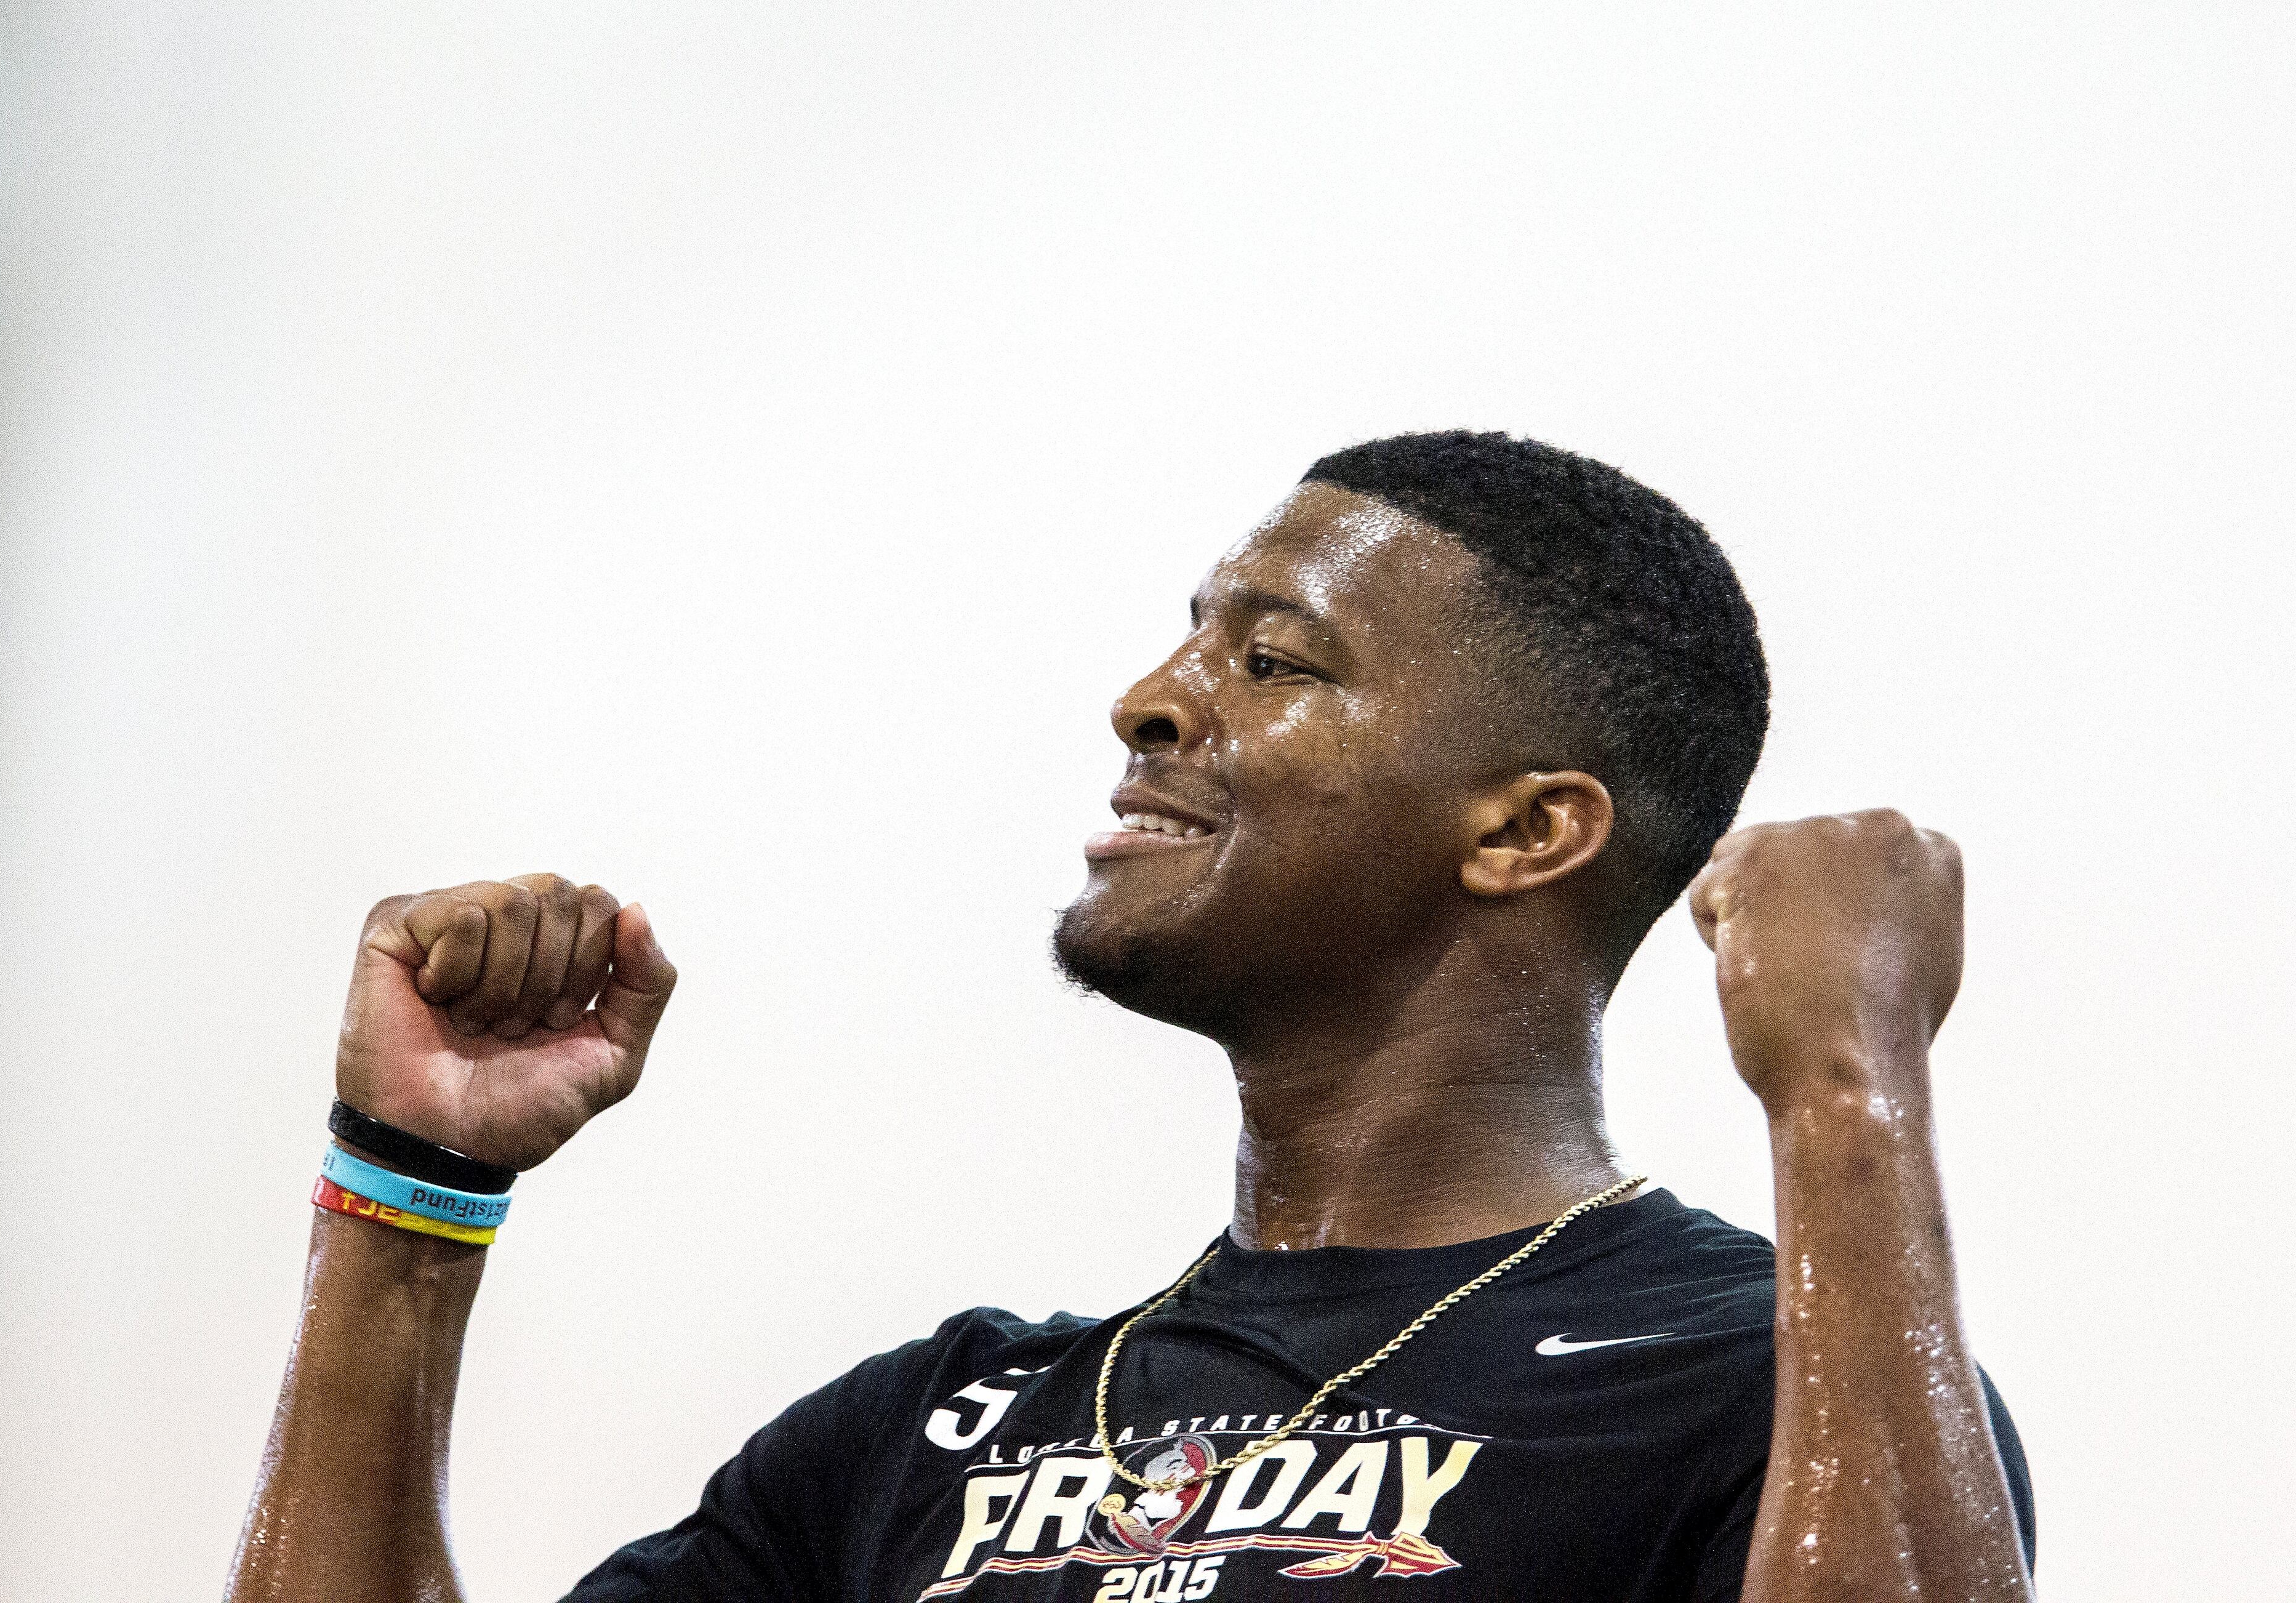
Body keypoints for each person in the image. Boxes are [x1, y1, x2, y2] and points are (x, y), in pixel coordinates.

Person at [228, 433, 2035, 1602]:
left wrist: (1845, 1091)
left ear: (1530, 828)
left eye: (1273, 660)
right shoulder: (926, 1430)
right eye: (1187, 639)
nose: (1150, 701)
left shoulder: (1760, 1382)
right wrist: (411, 1196)